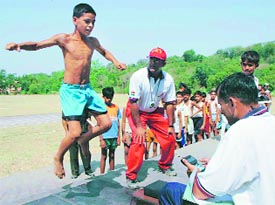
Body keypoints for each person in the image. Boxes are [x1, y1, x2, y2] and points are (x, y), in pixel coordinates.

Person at [6, 3, 126, 179]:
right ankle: (58, 158)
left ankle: (85, 140)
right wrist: (19, 45)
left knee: (106, 124)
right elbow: (38, 44)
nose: (90, 26)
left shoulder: (93, 42)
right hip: (71, 91)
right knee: (74, 132)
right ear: (75, 20)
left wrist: (116, 62)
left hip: (87, 89)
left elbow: (104, 51)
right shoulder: (64, 39)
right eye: (87, 21)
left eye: (93, 22)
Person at [159, 72, 275, 205]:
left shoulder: (240, 131)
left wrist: (195, 173)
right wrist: (218, 165)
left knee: (171, 190)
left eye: (221, 105)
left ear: (231, 103)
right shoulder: (271, 121)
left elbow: (201, 190)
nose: (222, 111)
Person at [125, 47, 177, 189]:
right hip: (137, 111)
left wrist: (171, 125)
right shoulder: (138, 76)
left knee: (169, 136)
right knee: (139, 140)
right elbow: (133, 102)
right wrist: (140, 127)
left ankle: (165, 165)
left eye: (157, 61)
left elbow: (170, 103)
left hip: (154, 111)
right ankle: (131, 176)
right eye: (152, 59)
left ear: (163, 64)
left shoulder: (168, 79)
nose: (153, 63)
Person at [62, 110, 94, 179]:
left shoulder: (84, 105)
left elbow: (88, 119)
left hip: (84, 133)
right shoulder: (68, 106)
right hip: (72, 134)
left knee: (85, 152)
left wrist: (90, 131)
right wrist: (67, 132)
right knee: (73, 152)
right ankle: (75, 172)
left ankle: (88, 169)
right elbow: (64, 120)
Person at [99, 87, 121, 174]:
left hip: (114, 136)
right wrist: (101, 139)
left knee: (112, 155)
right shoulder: (101, 108)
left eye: (111, 97)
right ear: (103, 97)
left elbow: (118, 123)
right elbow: (99, 124)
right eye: (107, 97)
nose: (109, 99)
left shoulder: (116, 107)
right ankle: (101, 175)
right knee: (103, 156)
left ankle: (111, 174)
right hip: (105, 136)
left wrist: (118, 137)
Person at [121, 100, 132, 166]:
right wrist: (123, 134)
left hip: (134, 132)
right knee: (126, 151)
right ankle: (127, 167)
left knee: (134, 152)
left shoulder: (139, 108)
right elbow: (123, 121)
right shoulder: (125, 109)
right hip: (127, 131)